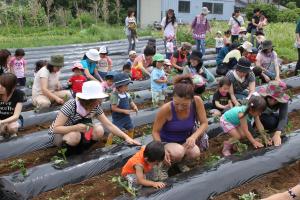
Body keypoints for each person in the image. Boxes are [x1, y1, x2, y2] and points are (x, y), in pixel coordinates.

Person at [49, 81, 140, 155]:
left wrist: (126, 137)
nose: (100, 101)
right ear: (89, 99)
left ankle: (83, 150)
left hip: (80, 131)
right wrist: (75, 127)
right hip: (61, 134)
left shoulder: (95, 107)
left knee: (99, 130)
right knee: (74, 135)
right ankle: (67, 154)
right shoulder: (71, 105)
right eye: (98, 98)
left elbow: (109, 125)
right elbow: (55, 129)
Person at [152, 75, 208, 176]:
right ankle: (162, 167)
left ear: (191, 100)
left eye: (185, 105)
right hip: (166, 142)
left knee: (195, 152)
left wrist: (193, 137)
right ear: (172, 98)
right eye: (176, 103)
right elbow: (155, 131)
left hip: (184, 140)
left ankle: (179, 163)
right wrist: (161, 150)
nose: (180, 107)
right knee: (178, 152)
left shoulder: (197, 102)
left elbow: (204, 123)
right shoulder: (166, 109)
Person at [106, 73, 138, 146]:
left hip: (126, 117)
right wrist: (124, 111)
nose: (127, 87)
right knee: (114, 132)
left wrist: (134, 106)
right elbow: (113, 108)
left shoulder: (126, 93)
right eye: (126, 85)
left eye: (127, 85)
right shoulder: (115, 96)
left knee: (131, 128)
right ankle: (107, 146)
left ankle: (130, 142)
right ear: (119, 87)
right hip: (118, 119)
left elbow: (130, 101)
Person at [258, 81, 290, 146]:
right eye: (270, 98)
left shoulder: (283, 101)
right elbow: (252, 117)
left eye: (276, 100)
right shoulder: (259, 98)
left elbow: (283, 117)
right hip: (258, 116)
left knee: (285, 120)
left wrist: (277, 133)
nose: (273, 101)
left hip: (269, 114)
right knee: (270, 122)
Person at [0, 73, 26, 141]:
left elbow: (16, 116)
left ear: (12, 87)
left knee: (13, 127)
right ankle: (2, 134)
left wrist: (2, 122)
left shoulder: (19, 94)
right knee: (1, 129)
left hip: (13, 120)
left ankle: (11, 134)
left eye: (3, 86)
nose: (0, 87)